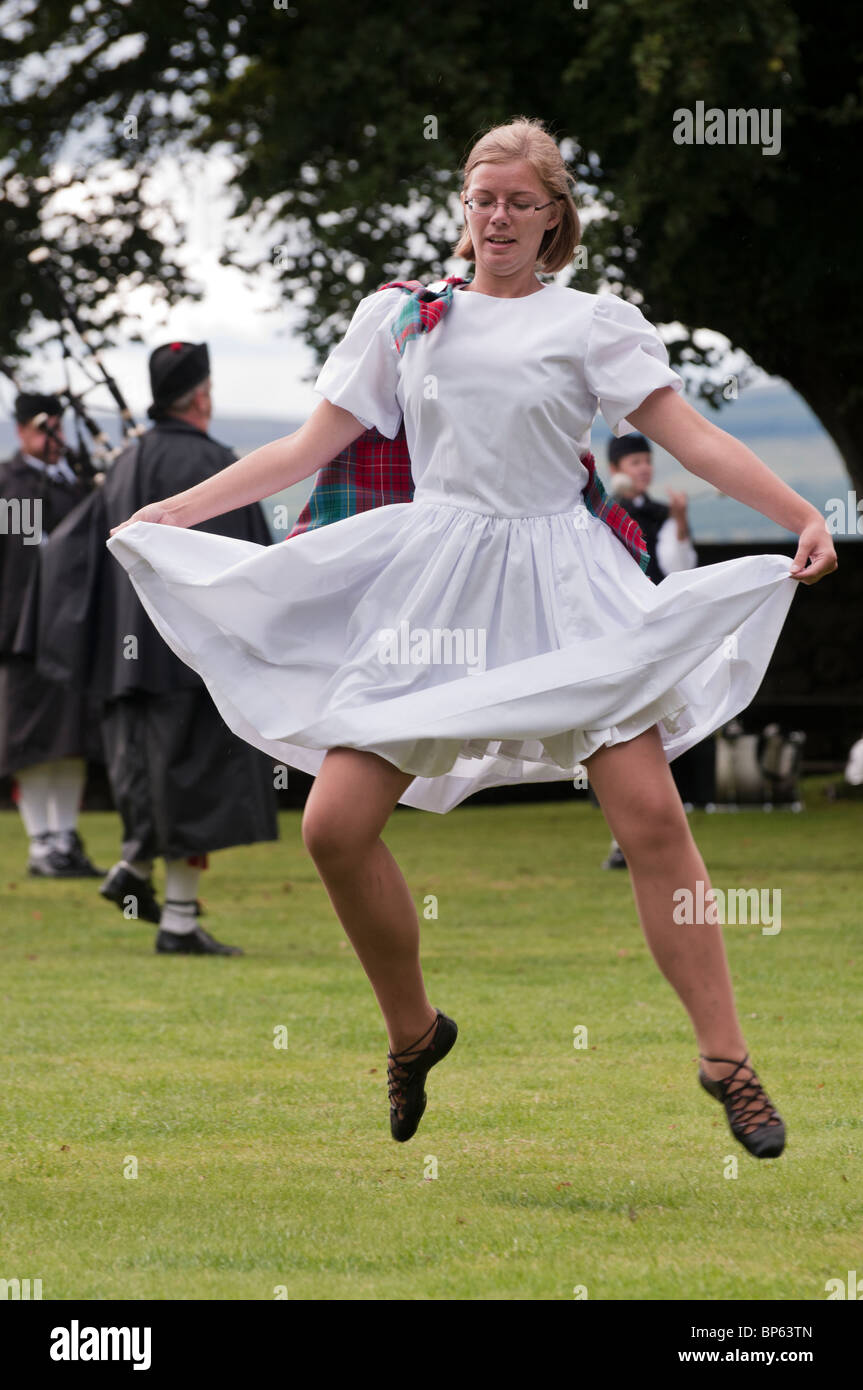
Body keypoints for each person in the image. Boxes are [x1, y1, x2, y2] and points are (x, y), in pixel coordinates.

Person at [106, 117, 837, 1156]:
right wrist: (176, 514)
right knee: (331, 827)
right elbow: (313, 444)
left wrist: (800, 511)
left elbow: (691, 435)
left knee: (652, 821)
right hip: (432, 589)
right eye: (480, 198)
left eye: (517, 202)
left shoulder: (594, 324)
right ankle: (414, 1033)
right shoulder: (403, 320)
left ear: (553, 220)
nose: (495, 217)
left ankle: (726, 1060)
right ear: (462, 209)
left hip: (560, 589)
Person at [33, 343, 280, 955]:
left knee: (153, 789)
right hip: (193, 661)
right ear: (200, 395)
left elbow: (74, 556)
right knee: (192, 791)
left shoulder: (123, 466)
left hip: (124, 662)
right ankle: (171, 918)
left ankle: (139, 880)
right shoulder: (218, 465)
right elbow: (248, 570)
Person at [0, 392, 104, 877]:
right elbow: (21, 557)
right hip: (23, 633)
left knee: (71, 740)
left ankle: (65, 837)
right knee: (32, 741)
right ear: (21, 430)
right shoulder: (10, 485)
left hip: (74, 631)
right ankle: (42, 843)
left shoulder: (79, 485)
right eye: (43, 430)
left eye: (57, 429)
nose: (53, 440)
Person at [600, 432, 710, 867]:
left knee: (663, 727)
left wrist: (680, 521)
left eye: (647, 461)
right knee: (621, 732)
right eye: (634, 463)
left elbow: (678, 568)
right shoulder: (604, 509)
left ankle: (664, 835)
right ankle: (620, 841)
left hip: (659, 629)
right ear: (617, 471)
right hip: (619, 630)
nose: (643, 468)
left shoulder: (665, 513)